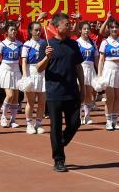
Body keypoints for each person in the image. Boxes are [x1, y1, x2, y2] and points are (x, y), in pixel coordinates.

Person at [36, 13, 84, 172]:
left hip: (72, 91)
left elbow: (78, 67)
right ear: (57, 27)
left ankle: (60, 142)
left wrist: (83, 87)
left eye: (69, 24)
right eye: (66, 24)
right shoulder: (47, 45)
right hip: (54, 93)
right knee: (55, 127)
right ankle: (59, 160)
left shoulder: (73, 44)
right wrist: (47, 57)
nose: (70, 27)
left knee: (75, 123)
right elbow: (39, 68)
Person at [96, 20, 119, 131]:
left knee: (118, 97)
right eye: (112, 27)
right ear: (109, 29)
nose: (114, 29)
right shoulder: (105, 42)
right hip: (109, 70)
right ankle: (108, 121)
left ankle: (115, 121)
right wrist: (100, 76)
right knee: (110, 98)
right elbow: (101, 60)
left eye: (116, 27)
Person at [0, 21, 24, 128]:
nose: (14, 31)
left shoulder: (20, 44)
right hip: (5, 70)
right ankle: (3, 116)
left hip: (16, 70)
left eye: (15, 30)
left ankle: (13, 120)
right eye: (11, 30)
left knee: (15, 97)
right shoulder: (2, 44)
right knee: (9, 95)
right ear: (6, 32)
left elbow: (23, 60)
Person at [19, 21, 47, 135]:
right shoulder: (27, 45)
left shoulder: (45, 43)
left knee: (42, 102)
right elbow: (24, 62)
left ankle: (38, 124)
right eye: (36, 30)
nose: (38, 32)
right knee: (30, 102)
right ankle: (29, 124)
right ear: (30, 31)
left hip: (43, 73)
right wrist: (25, 76)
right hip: (31, 72)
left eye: (40, 29)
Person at [75, 22, 99, 124]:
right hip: (80, 68)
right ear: (80, 30)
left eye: (88, 29)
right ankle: (79, 115)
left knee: (89, 93)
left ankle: (87, 116)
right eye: (84, 29)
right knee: (80, 93)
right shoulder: (77, 43)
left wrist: (99, 72)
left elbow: (96, 58)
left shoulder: (93, 42)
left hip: (90, 68)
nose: (86, 31)